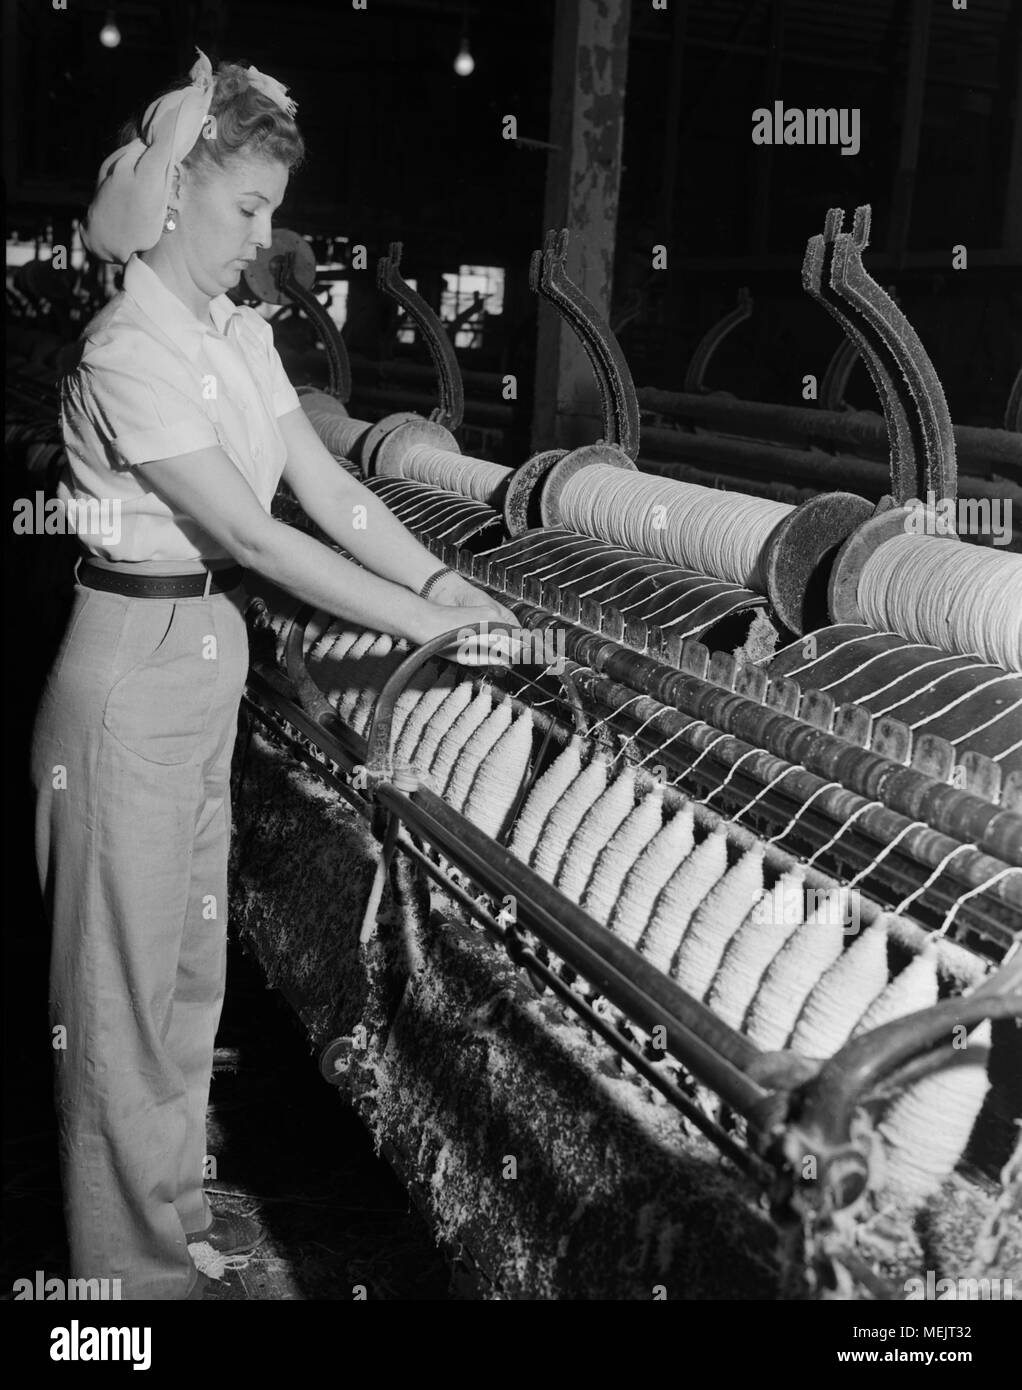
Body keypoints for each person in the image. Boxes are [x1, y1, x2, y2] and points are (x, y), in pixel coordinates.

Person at [30, 51, 518, 1301]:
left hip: (208, 657)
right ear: (177, 195)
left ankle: (180, 1214)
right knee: (119, 991)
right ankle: (125, 1288)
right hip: (131, 664)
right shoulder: (126, 348)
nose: (263, 239)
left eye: (268, 211)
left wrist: (440, 583)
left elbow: (330, 492)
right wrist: (423, 633)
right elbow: (254, 539)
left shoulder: (230, 334)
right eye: (246, 208)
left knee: (189, 971)